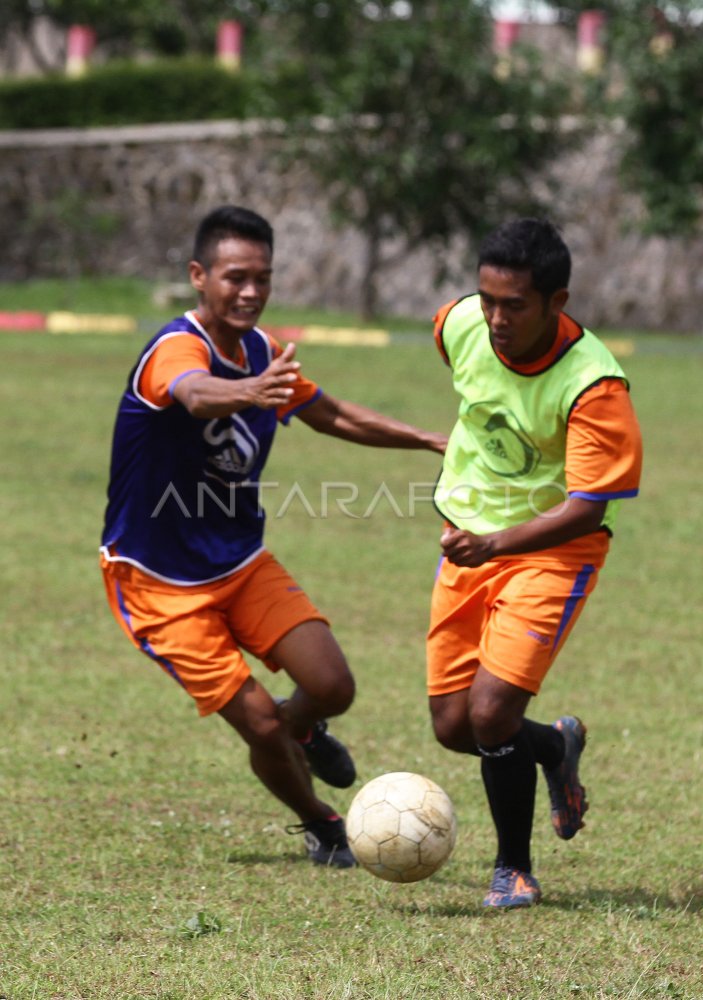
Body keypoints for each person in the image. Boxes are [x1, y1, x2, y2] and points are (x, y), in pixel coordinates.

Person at [100, 204, 446, 868]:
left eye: (262, 278)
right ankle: (321, 823)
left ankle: (301, 731)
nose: (250, 292)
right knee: (260, 725)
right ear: (199, 276)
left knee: (332, 686)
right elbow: (195, 393)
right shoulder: (177, 348)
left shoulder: (260, 351)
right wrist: (251, 392)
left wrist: (427, 438)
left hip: (240, 562)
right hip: (157, 583)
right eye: (234, 277)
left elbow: (329, 414)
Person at [426, 218, 642, 908]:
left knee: (490, 713)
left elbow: (586, 507)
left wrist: (495, 541)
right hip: (467, 542)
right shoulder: (457, 324)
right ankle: (552, 748)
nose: (493, 318)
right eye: (486, 299)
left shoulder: (593, 386)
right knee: (453, 727)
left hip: (553, 551)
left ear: (557, 300)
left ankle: (512, 870)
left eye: (513, 305)